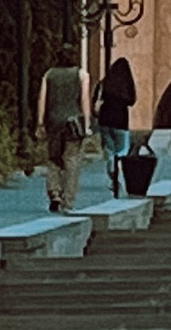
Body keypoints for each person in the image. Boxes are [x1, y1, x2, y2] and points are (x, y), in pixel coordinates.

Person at [38, 58, 89, 214]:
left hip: (53, 122)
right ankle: (68, 200)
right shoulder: (81, 74)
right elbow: (84, 100)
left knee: (53, 158)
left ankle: (54, 193)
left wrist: (40, 122)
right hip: (73, 123)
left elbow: (42, 99)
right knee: (72, 161)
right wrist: (86, 123)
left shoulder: (49, 74)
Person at [96, 48, 139, 199]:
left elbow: (96, 98)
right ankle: (116, 169)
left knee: (109, 149)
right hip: (121, 120)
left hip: (105, 120)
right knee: (123, 150)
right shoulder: (126, 87)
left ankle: (112, 173)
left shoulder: (105, 83)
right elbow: (132, 101)